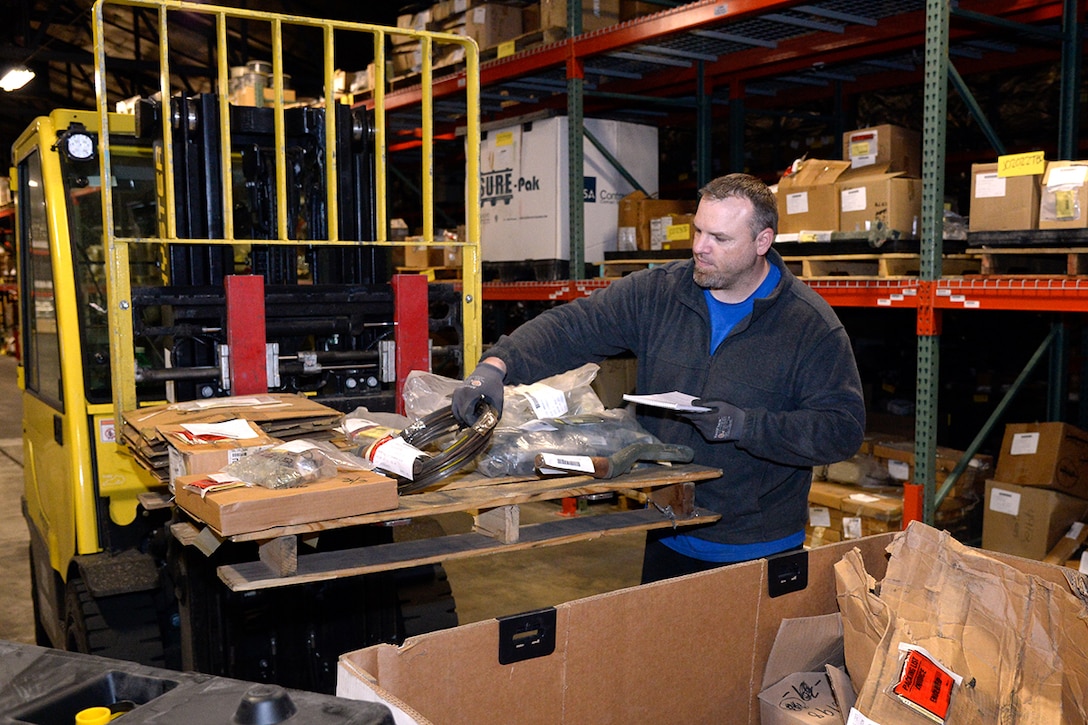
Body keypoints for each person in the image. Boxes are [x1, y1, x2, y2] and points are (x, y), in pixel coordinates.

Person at [452, 173, 865, 583]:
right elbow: (574, 326)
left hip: (759, 551)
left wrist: (745, 425)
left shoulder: (809, 327)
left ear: (762, 242)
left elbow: (841, 429)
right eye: (699, 230)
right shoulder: (660, 294)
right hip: (667, 535)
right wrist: (498, 365)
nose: (700, 248)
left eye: (720, 239)